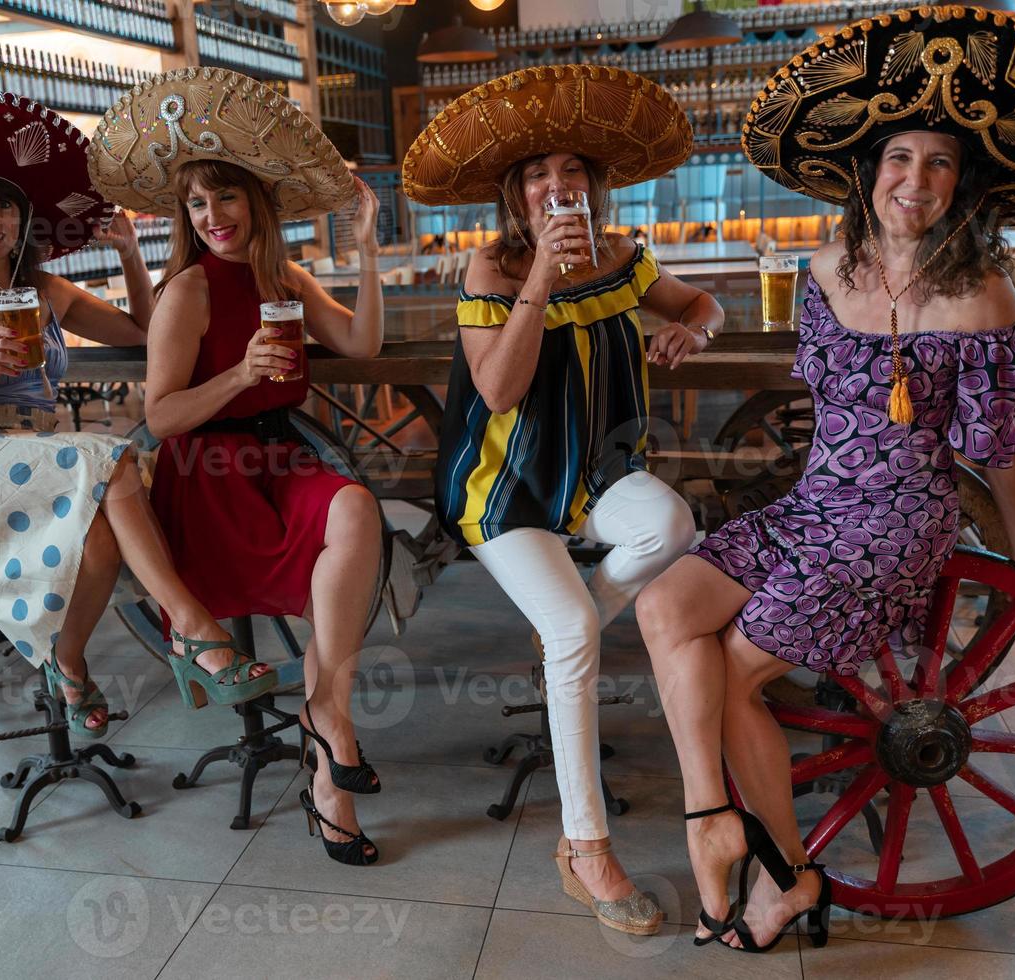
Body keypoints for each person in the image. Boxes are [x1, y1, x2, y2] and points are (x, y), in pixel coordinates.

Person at [636, 5, 1015, 952]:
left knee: (734, 674)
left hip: (898, 522)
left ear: (964, 184)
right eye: (900, 159)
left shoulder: (985, 297)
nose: (916, 180)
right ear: (869, 171)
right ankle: (713, 820)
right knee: (664, 609)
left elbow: (998, 446)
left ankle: (782, 879)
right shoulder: (825, 268)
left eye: (940, 163)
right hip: (817, 504)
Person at [403, 64, 717, 937]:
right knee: (579, 632)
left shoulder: (626, 256)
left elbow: (700, 300)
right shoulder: (490, 267)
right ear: (516, 193)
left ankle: (564, 626)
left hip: (598, 478)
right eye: (538, 175)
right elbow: (499, 392)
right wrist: (539, 274)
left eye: (571, 171)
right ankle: (586, 849)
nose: (557, 186)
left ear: (594, 185)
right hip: (503, 488)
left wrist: (695, 325)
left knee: (673, 524)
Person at [0, 91, 240, 737]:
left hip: (37, 450)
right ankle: (193, 628)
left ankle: (68, 665)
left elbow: (145, 332)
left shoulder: (47, 290)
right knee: (113, 459)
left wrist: (129, 255)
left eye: (3, 202)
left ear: (24, 215)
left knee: (104, 540)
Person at [90, 68, 386, 865]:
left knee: (357, 510)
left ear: (257, 203)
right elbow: (160, 418)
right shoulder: (188, 290)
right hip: (210, 475)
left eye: (225, 197)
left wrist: (364, 254)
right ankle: (332, 764)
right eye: (195, 203)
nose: (212, 216)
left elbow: (361, 345)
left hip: (281, 457)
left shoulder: (283, 278)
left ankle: (327, 718)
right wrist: (242, 376)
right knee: (343, 530)